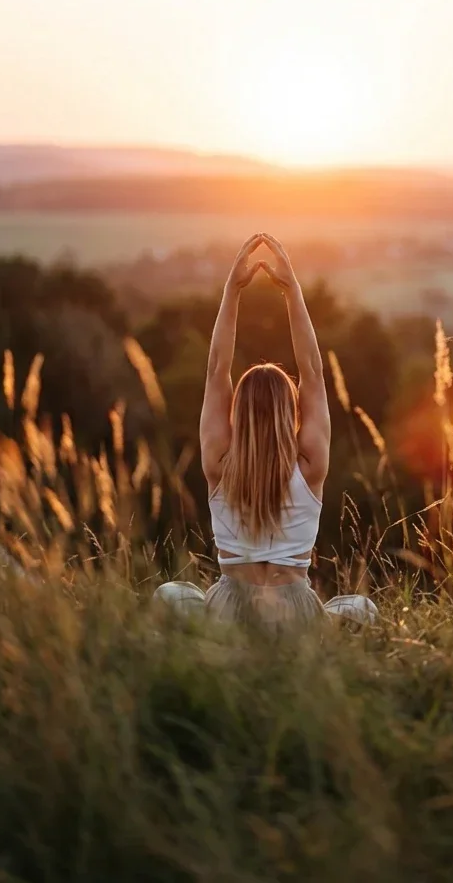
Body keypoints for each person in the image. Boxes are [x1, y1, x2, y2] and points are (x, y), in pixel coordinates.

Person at [154, 233, 376, 629]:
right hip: (295, 615)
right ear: (289, 410)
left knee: (169, 595)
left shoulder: (219, 462)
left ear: (237, 410)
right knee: (361, 609)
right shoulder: (310, 464)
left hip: (228, 612)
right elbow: (312, 370)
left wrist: (231, 293)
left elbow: (216, 369)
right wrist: (292, 292)